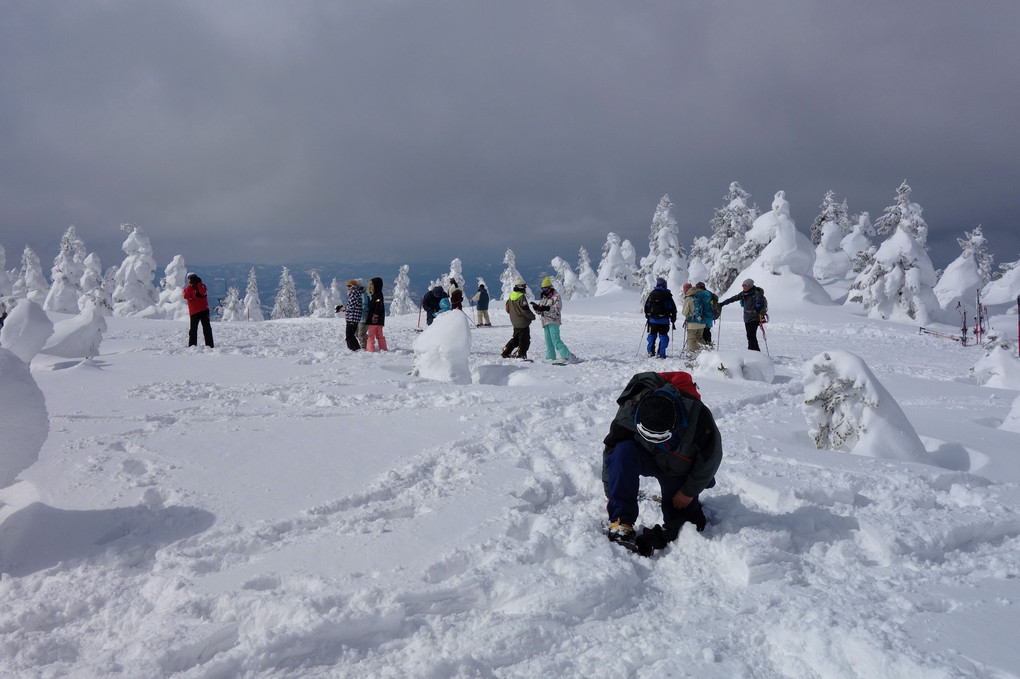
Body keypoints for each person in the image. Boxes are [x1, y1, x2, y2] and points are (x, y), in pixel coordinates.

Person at [602, 371, 722, 556]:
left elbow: (710, 459)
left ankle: (682, 505)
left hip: (678, 465)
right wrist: (612, 490)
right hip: (645, 455)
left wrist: (688, 491)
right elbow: (611, 448)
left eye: (659, 437)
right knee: (623, 452)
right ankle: (622, 522)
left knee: (683, 519)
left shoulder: (698, 418)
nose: (654, 440)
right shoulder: (631, 407)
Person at [531, 276, 578, 363]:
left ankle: (567, 356)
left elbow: (557, 309)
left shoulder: (556, 296)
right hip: (545, 322)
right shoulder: (544, 298)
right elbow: (541, 310)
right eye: (542, 288)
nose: (543, 290)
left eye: (545, 288)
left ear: (549, 288)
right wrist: (537, 308)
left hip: (553, 321)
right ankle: (550, 358)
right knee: (549, 342)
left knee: (555, 340)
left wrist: (546, 308)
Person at [718, 278, 767, 351]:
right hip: (747, 317)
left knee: (751, 335)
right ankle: (752, 351)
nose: (743, 287)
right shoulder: (743, 293)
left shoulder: (756, 293)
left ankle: (755, 352)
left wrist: (758, 306)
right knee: (749, 335)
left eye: (745, 285)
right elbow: (734, 298)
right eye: (743, 285)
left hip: (754, 317)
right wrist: (723, 303)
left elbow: (759, 301)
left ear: (750, 285)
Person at [501, 276, 535, 359]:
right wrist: (532, 316)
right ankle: (521, 355)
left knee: (516, 338)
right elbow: (525, 310)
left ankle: (506, 351)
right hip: (522, 322)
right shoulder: (521, 297)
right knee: (524, 340)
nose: (525, 288)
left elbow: (507, 308)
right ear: (520, 286)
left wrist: (514, 315)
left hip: (515, 321)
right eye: (524, 286)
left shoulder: (512, 295)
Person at [643, 277, 677, 358]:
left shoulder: (653, 293)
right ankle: (661, 354)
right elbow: (673, 307)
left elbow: (646, 306)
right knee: (663, 337)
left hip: (653, 320)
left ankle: (650, 352)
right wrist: (673, 317)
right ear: (664, 285)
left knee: (652, 336)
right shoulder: (667, 295)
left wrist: (648, 315)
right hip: (664, 321)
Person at [681, 282, 714, 355]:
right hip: (702, 322)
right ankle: (705, 354)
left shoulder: (689, 298)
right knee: (700, 338)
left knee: (691, 340)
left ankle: (695, 355)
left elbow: (684, 312)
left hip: (692, 323)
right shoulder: (701, 296)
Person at [183, 273, 214, 348]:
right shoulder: (188, 289)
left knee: (207, 329)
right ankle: (192, 345)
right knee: (193, 330)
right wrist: (190, 286)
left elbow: (203, 293)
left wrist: (199, 283)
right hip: (194, 311)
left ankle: (209, 345)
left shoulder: (202, 286)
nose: (190, 281)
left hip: (203, 310)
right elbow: (185, 296)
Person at [335, 279, 363, 351]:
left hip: (352, 318)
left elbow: (351, 307)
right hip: (354, 317)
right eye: (347, 286)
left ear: (353, 286)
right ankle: (356, 348)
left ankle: (353, 349)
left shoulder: (354, 294)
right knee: (350, 335)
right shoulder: (356, 293)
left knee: (349, 335)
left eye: (349, 286)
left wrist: (342, 309)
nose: (347, 288)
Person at [364, 277, 388, 352]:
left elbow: (377, 307)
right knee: (379, 335)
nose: (370, 287)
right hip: (379, 320)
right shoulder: (378, 294)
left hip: (374, 320)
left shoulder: (377, 296)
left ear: (376, 286)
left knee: (371, 335)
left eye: (371, 285)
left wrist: (374, 316)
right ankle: (383, 348)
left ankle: (370, 349)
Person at [356, 281, 371, 349]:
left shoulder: (363, 295)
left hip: (363, 317)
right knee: (357, 333)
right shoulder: (359, 295)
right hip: (359, 317)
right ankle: (368, 340)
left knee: (361, 333)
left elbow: (364, 305)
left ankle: (363, 346)